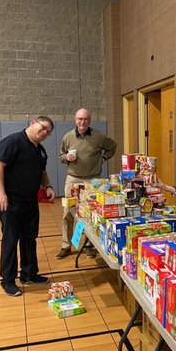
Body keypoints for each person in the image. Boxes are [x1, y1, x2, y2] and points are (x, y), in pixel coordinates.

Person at [0, 116, 56, 297]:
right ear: (33, 123)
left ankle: (29, 274)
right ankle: (7, 280)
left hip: (29, 201)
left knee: (29, 238)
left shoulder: (40, 150)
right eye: (43, 128)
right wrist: (0, 192)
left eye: (48, 133)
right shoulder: (12, 142)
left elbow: (42, 172)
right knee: (11, 240)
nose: (44, 133)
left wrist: (48, 186)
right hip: (9, 201)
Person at [57, 108, 117, 259]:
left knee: (91, 214)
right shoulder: (68, 137)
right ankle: (67, 245)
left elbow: (112, 147)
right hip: (73, 179)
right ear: (75, 120)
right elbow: (60, 156)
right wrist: (66, 158)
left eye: (85, 119)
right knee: (69, 213)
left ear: (89, 121)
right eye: (80, 119)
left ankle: (89, 245)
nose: (82, 122)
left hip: (92, 181)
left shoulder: (98, 136)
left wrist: (103, 159)